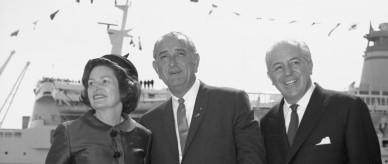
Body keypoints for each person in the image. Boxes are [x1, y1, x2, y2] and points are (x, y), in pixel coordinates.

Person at [140, 31, 266, 164]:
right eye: (164, 57)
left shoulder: (232, 103)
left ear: (195, 61)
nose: (172, 63)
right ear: (156, 68)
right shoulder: (149, 123)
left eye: (180, 54)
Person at [261, 39, 381, 164]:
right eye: (278, 67)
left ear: (310, 65)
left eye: (295, 63)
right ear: (270, 77)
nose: (288, 72)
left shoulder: (348, 109)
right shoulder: (266, 124)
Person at [45, 54, 151, 164]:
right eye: (91, 83)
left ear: (125, 87)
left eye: (105, 81)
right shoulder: (68, 132)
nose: (96, 88)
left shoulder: (143, 135)